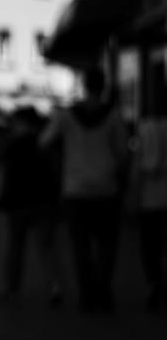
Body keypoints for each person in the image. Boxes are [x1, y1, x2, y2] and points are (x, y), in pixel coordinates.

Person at [40, 67, 129, 312]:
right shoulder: (113, 116)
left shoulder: (67, 116)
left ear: (85, 86)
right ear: (103, 87)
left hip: (75, 188)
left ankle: (87, 295)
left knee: (80, 246)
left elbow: (44, 142)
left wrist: (60, 164)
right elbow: (123, 154)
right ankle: (103, 291)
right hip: (106, 188)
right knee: (106, 245)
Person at [0, 106, 63, 305]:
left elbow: (2, 172)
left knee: (15, 246)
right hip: (43, 200)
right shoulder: (44, 143)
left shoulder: (12, 145)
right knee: (46, 247)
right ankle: (54, 286)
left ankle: (11, 288)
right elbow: (55, 171)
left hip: (18, 201)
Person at [131, 107, 167, 311]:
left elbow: (137, 166)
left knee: (151, 245)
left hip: (151, 197)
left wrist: (133, 194)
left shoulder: (146, 129)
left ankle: (154, 282)